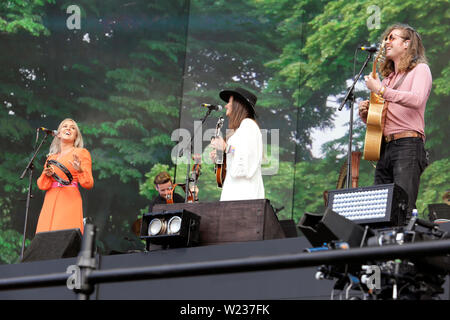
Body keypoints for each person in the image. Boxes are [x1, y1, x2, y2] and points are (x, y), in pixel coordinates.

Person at [358, 24, 432, 218]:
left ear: (407, 44)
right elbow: (382, 119)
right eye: (386, 38)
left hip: (408, 144)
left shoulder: (421, 70)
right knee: (380, 209)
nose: (386, 42)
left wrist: (381, 91)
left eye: (392, 37)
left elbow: (416, 99)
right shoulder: (388, 79)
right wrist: (367, 115)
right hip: (385, 147)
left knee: (402, 207)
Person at [36, 118, 94, 234]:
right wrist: (46, 175)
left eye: (73, 128)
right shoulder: (51, 158)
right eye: (65, 126)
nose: (68, 128)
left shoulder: (81, 153)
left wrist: (80, 170)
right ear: (58, 134)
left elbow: (88, 183)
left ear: (76, 136)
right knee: (44, 240)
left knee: (64, 238)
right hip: (50, 200)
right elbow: (42, 185)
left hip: (69, 199)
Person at [210, 87, 264, 201]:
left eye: (229, 102)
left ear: (237, 105)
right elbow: (234, 153)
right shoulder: (237, 131)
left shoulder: (249, 125)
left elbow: (246, 157)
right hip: (233, 191)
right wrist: (220, 157)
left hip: (245, 194)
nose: (226, 105)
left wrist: (226, 148)